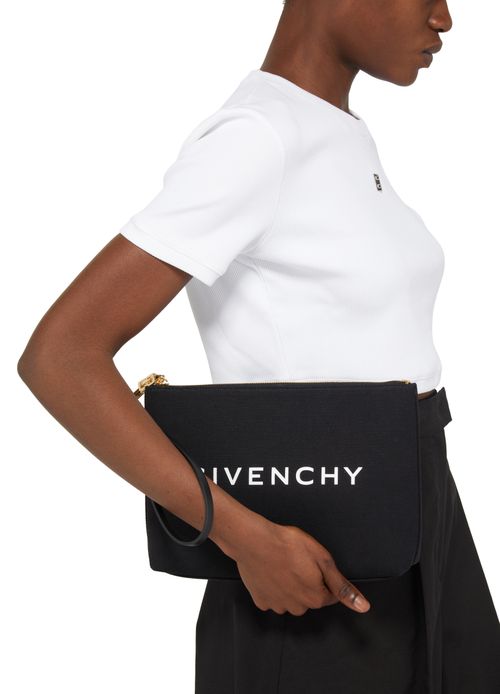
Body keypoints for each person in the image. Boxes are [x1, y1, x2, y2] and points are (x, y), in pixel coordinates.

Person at [17, 1, 500, 693]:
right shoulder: (257, 136)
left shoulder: (333, 131)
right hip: (313, 558)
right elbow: (60, 355)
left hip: (422, 515)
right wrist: (240, 535)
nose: (444, 18)